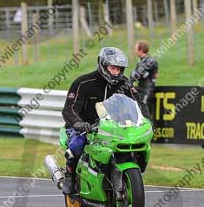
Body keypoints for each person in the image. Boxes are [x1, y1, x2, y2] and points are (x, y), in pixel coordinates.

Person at [61, 47, 149, 195]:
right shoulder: (83, 82)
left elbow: (139, 104)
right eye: (113, 68)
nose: (116, 72)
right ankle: (69, 175)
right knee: (78, 143)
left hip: (111, 127)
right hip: (84, 127)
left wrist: (147, 120)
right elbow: (69, 109)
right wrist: (78, 123)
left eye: (119, 69)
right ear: (102, 65)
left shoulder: (124, 83)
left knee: (133, 142)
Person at [130, 41, 158, 119]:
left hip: (147, 91)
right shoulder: (141, 61)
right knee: (139, 112)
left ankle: (149, 130)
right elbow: (135, 76)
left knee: (145, 113)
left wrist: (133, 75)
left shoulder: (150, 61)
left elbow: (137, 74)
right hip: (141, 90)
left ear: (141, 50)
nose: (135, 51)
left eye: (136, 49)